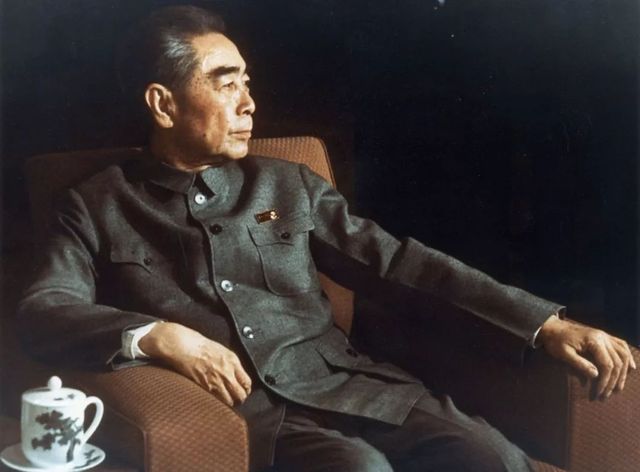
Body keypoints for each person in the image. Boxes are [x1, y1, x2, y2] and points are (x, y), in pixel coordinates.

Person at [18, 5, 635, 472]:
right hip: (249, 411)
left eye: (247, 83)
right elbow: (44, 308)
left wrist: (544, 325)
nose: (249, 103)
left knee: (490, 458)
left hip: (348, 383)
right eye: (226, 83)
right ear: (163, 104)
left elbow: (399, 265)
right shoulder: (94, 203)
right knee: (360, 469)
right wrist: (158, 334)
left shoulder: (286, 183)